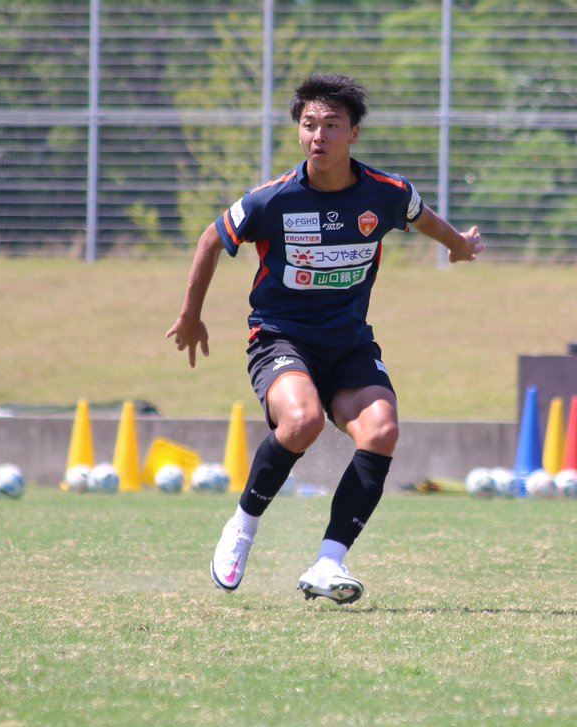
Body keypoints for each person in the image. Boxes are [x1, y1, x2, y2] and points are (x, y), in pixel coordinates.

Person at [166, 73, 483, 605]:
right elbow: (210, 239)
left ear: (353, 133)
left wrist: (458, 246)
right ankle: (242, 525)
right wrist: (191, 315)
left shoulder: (386, 193)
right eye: (310, 125)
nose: (319, 135)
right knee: (302, 420)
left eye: (332, 125)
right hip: (280, 339)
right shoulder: (273, 199)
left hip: (349, 345)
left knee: (381, 430)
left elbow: (422, 219)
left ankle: (328, 563)